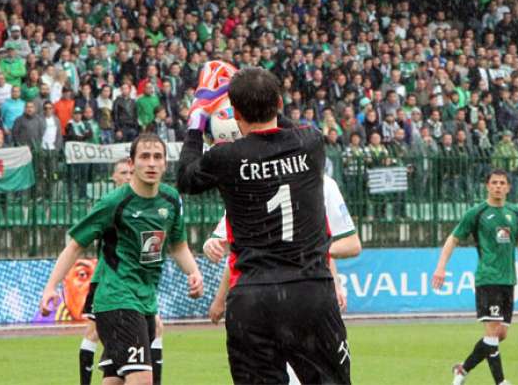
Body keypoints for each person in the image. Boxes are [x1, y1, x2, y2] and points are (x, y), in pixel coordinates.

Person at [177, 66, 350, 384]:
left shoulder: (226, 157)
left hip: (252, 298)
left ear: (236, 113)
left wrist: (199, 116)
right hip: (309, 291)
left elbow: (185, 178)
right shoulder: (310, 143)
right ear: (279, 104)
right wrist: (261, 101)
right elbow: (282, 126)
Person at [40, 134, 203, 385]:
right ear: (132, 163)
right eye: (144, 157)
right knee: (142, 380)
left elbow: (178, 245)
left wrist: (194, 272)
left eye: (157, 157)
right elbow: (75, 246)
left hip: (145, 300)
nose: (151, 163)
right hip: (116, 298)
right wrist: (51, 286)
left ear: (165, 164)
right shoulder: (114, 202)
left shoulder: (171, 200)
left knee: (115, 380)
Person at [204, 172, 361, 385]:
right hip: (264, 303)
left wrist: (334, 281)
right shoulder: (249, 180)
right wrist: (220, 296)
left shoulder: (323, 184)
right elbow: (232, 248)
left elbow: (351, 244)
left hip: (308, 298)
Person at [432, 169, 518, 385]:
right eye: (494, 182)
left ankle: (462, 369)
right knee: (493, 331)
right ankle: (501, 381)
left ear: (508, 187)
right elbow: (453, 239)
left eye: (502, 183)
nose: (498, 186)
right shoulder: (477, 212)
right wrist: (441, 268)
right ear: (487, 186)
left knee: (500, 334)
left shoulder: (514, 212)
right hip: (488, 279)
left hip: (509, 280)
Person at [77, 158, 166, 385]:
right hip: (110, 283)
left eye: (129, 172)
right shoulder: (110, 204)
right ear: (114, 177)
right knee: (94, 332)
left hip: (137, 285)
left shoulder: (148, 205)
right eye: (123, 173)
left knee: (123, 358)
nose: (127, 176)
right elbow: (78, 242)